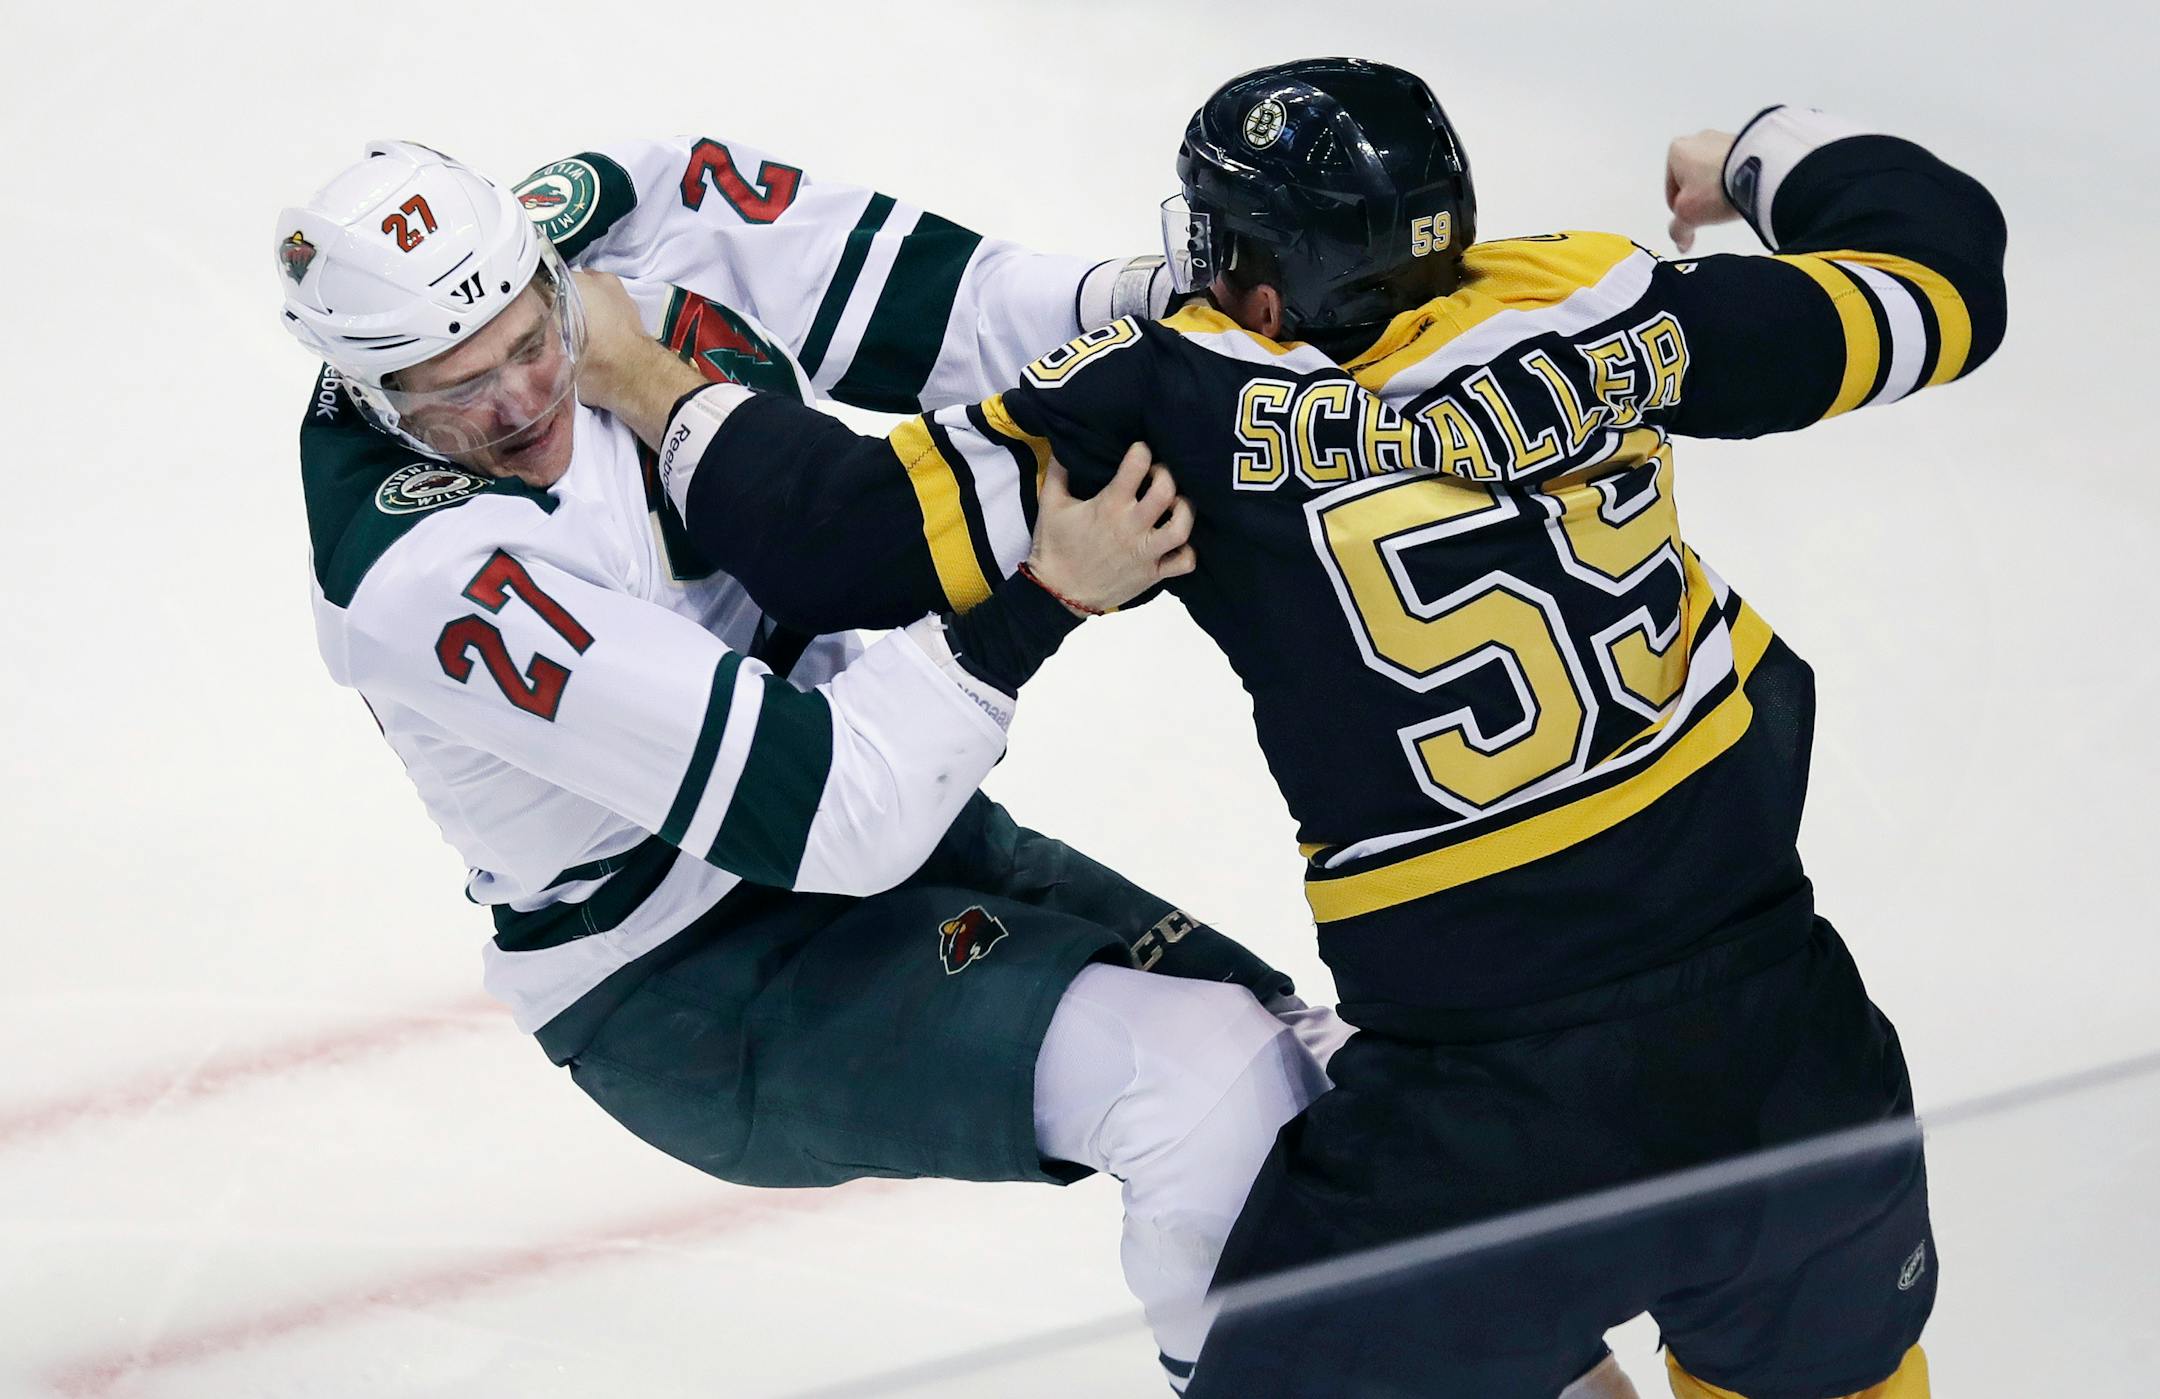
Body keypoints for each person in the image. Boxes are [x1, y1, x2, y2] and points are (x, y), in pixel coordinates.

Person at [631, 58, 2008, 1398]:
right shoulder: (1603, 298)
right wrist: (1760, 149)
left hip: (1493, 1116)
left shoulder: (1175, 394)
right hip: (1796, 1053)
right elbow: (1945, 282)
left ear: (1265, 275)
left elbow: (833, 537)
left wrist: (640, 376)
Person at [273, 137, 1337, 1388]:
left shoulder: (634, 216)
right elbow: (842, 807)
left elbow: (964, 310)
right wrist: (1043, 597)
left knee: (1321, 1080)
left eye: (527, 341)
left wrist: (1176, 310)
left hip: (883, 836)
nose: (519, 405)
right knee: (1205, 1093)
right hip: (692, 984)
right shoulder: (423, 580)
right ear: (363, 386)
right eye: (454, 390)